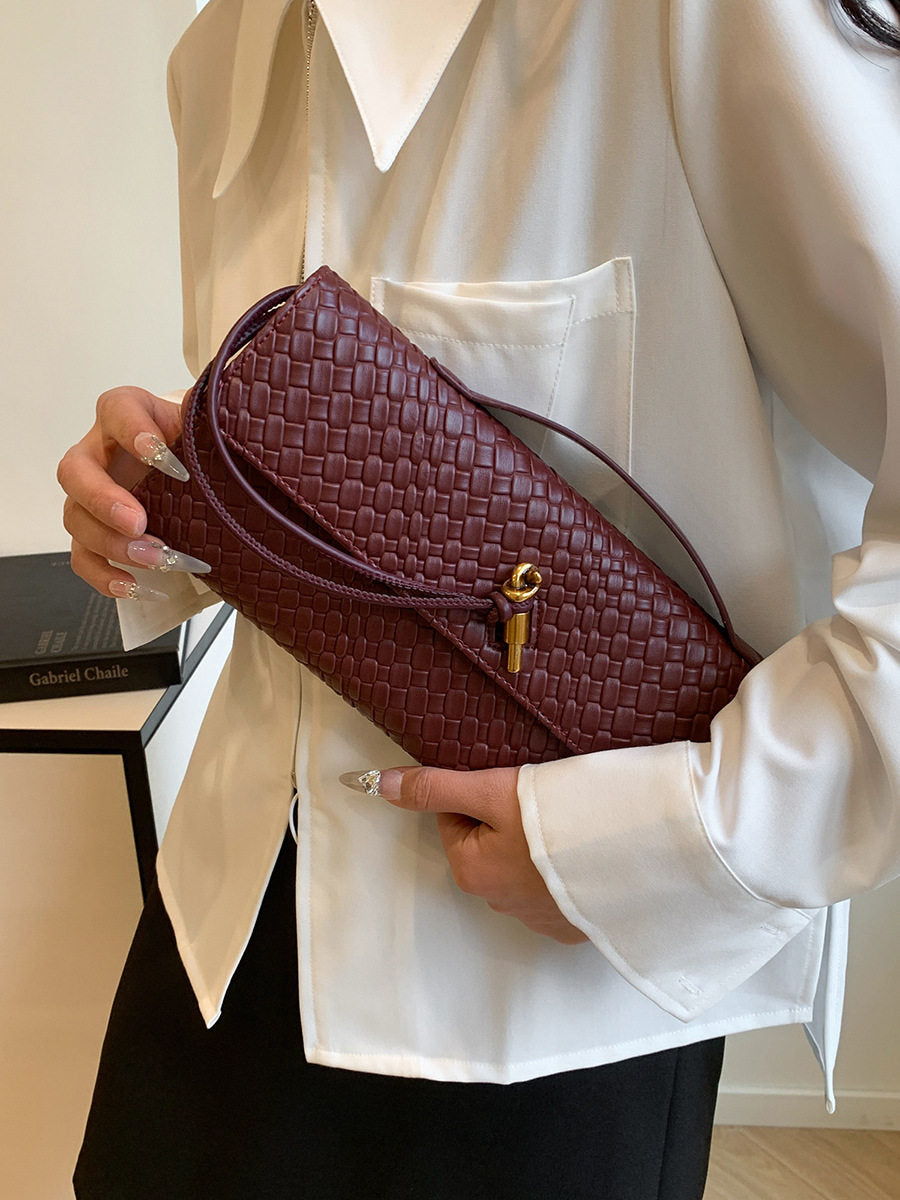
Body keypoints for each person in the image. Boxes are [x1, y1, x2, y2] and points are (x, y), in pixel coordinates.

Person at [58, 2, 900, 1197]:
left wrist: (691, 839)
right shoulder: (227, 55)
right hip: (225, 920)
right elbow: (315, 523)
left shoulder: (698, 24)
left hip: (539, 1015)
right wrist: (157, 516)